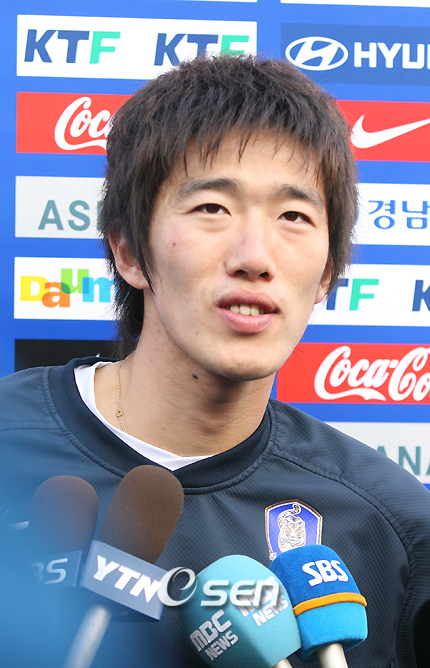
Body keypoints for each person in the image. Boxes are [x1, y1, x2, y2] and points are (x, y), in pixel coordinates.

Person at [1, 55, 429, 667]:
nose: (254, 256)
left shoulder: (394, 526)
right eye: (212, 208)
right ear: (128, 251)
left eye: (294, 217)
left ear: (327, 275)